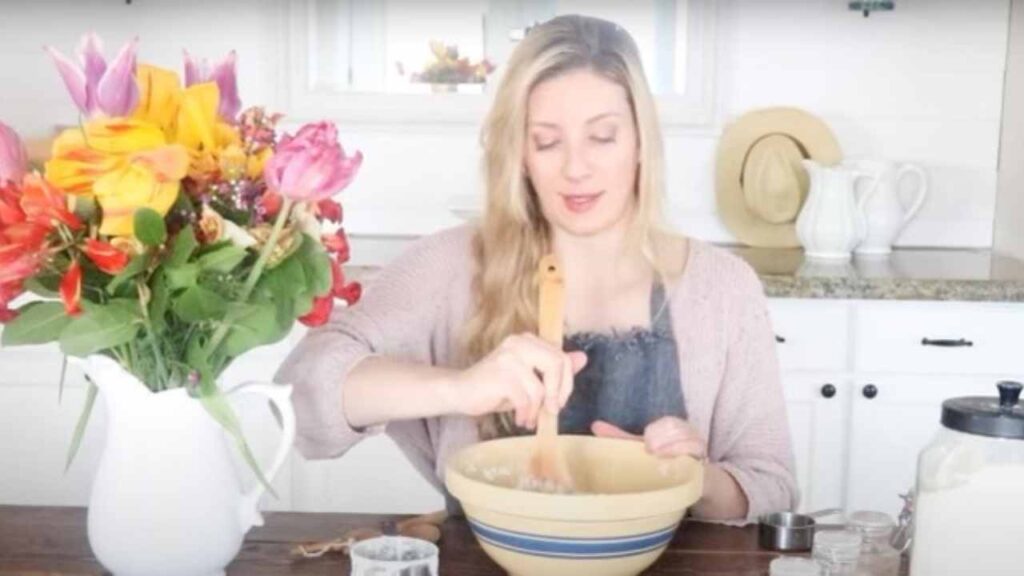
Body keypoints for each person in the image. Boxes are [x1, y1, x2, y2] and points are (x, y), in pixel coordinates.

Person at [276, 14, 797, 523]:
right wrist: (461, 387)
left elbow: (772, 487)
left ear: (641, 142)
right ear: (519, 153)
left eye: (603, 137)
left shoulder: (722, 287)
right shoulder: (449, 266)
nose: (575, 167)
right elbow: (298, 400)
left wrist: (695, 478)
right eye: (547, 141)